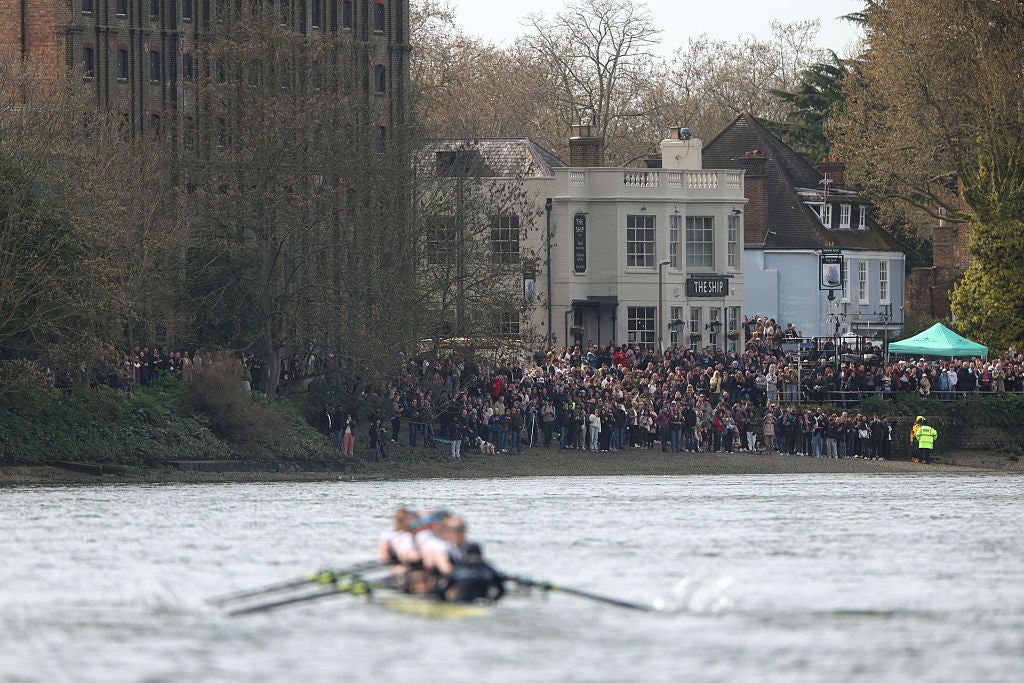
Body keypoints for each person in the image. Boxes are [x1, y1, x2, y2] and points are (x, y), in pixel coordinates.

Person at [438, 543, 505, 604]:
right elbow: (501, 589)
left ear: (466, 555)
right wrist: (493, 600)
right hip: (481, 604)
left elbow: (443, 588)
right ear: (480, 555)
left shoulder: (459, 568)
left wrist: (446, 602)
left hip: (461, 604)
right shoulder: (488, 569)